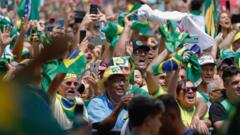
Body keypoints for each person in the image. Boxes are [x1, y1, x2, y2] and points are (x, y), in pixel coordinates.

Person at [87, 66, 133, 133]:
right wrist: (120, 106)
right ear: (106, 84)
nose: (122, 84)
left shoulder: (131, 104)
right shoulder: (96, 103)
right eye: (116, 81)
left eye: (123, 80)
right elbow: (103, 128)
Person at [209, 65, 240, 131]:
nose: (239, 86)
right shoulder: (217, 106)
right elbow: (226, 130)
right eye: (235, 83)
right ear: (225, 85)